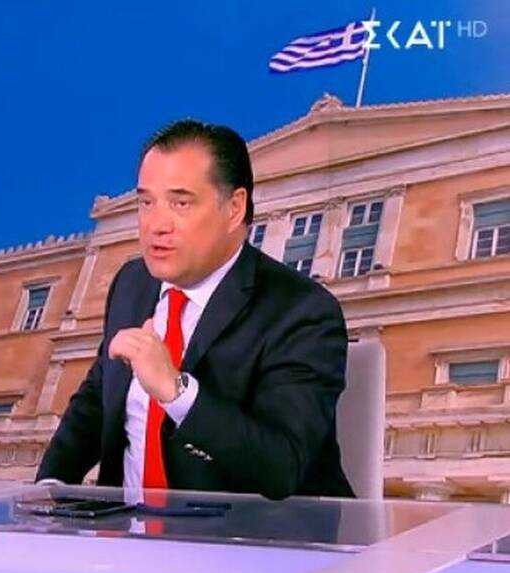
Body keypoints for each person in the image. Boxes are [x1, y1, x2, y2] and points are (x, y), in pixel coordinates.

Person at [36, 119, 353, 500]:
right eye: (146, 203)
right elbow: (95, 401)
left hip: (250, 533)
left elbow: (282, 466)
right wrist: (49, 487)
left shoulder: (302, 311)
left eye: (180, 203)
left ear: (234, 208)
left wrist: (176, 391)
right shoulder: (131, 283)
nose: (156, 225)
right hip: (125, 530)